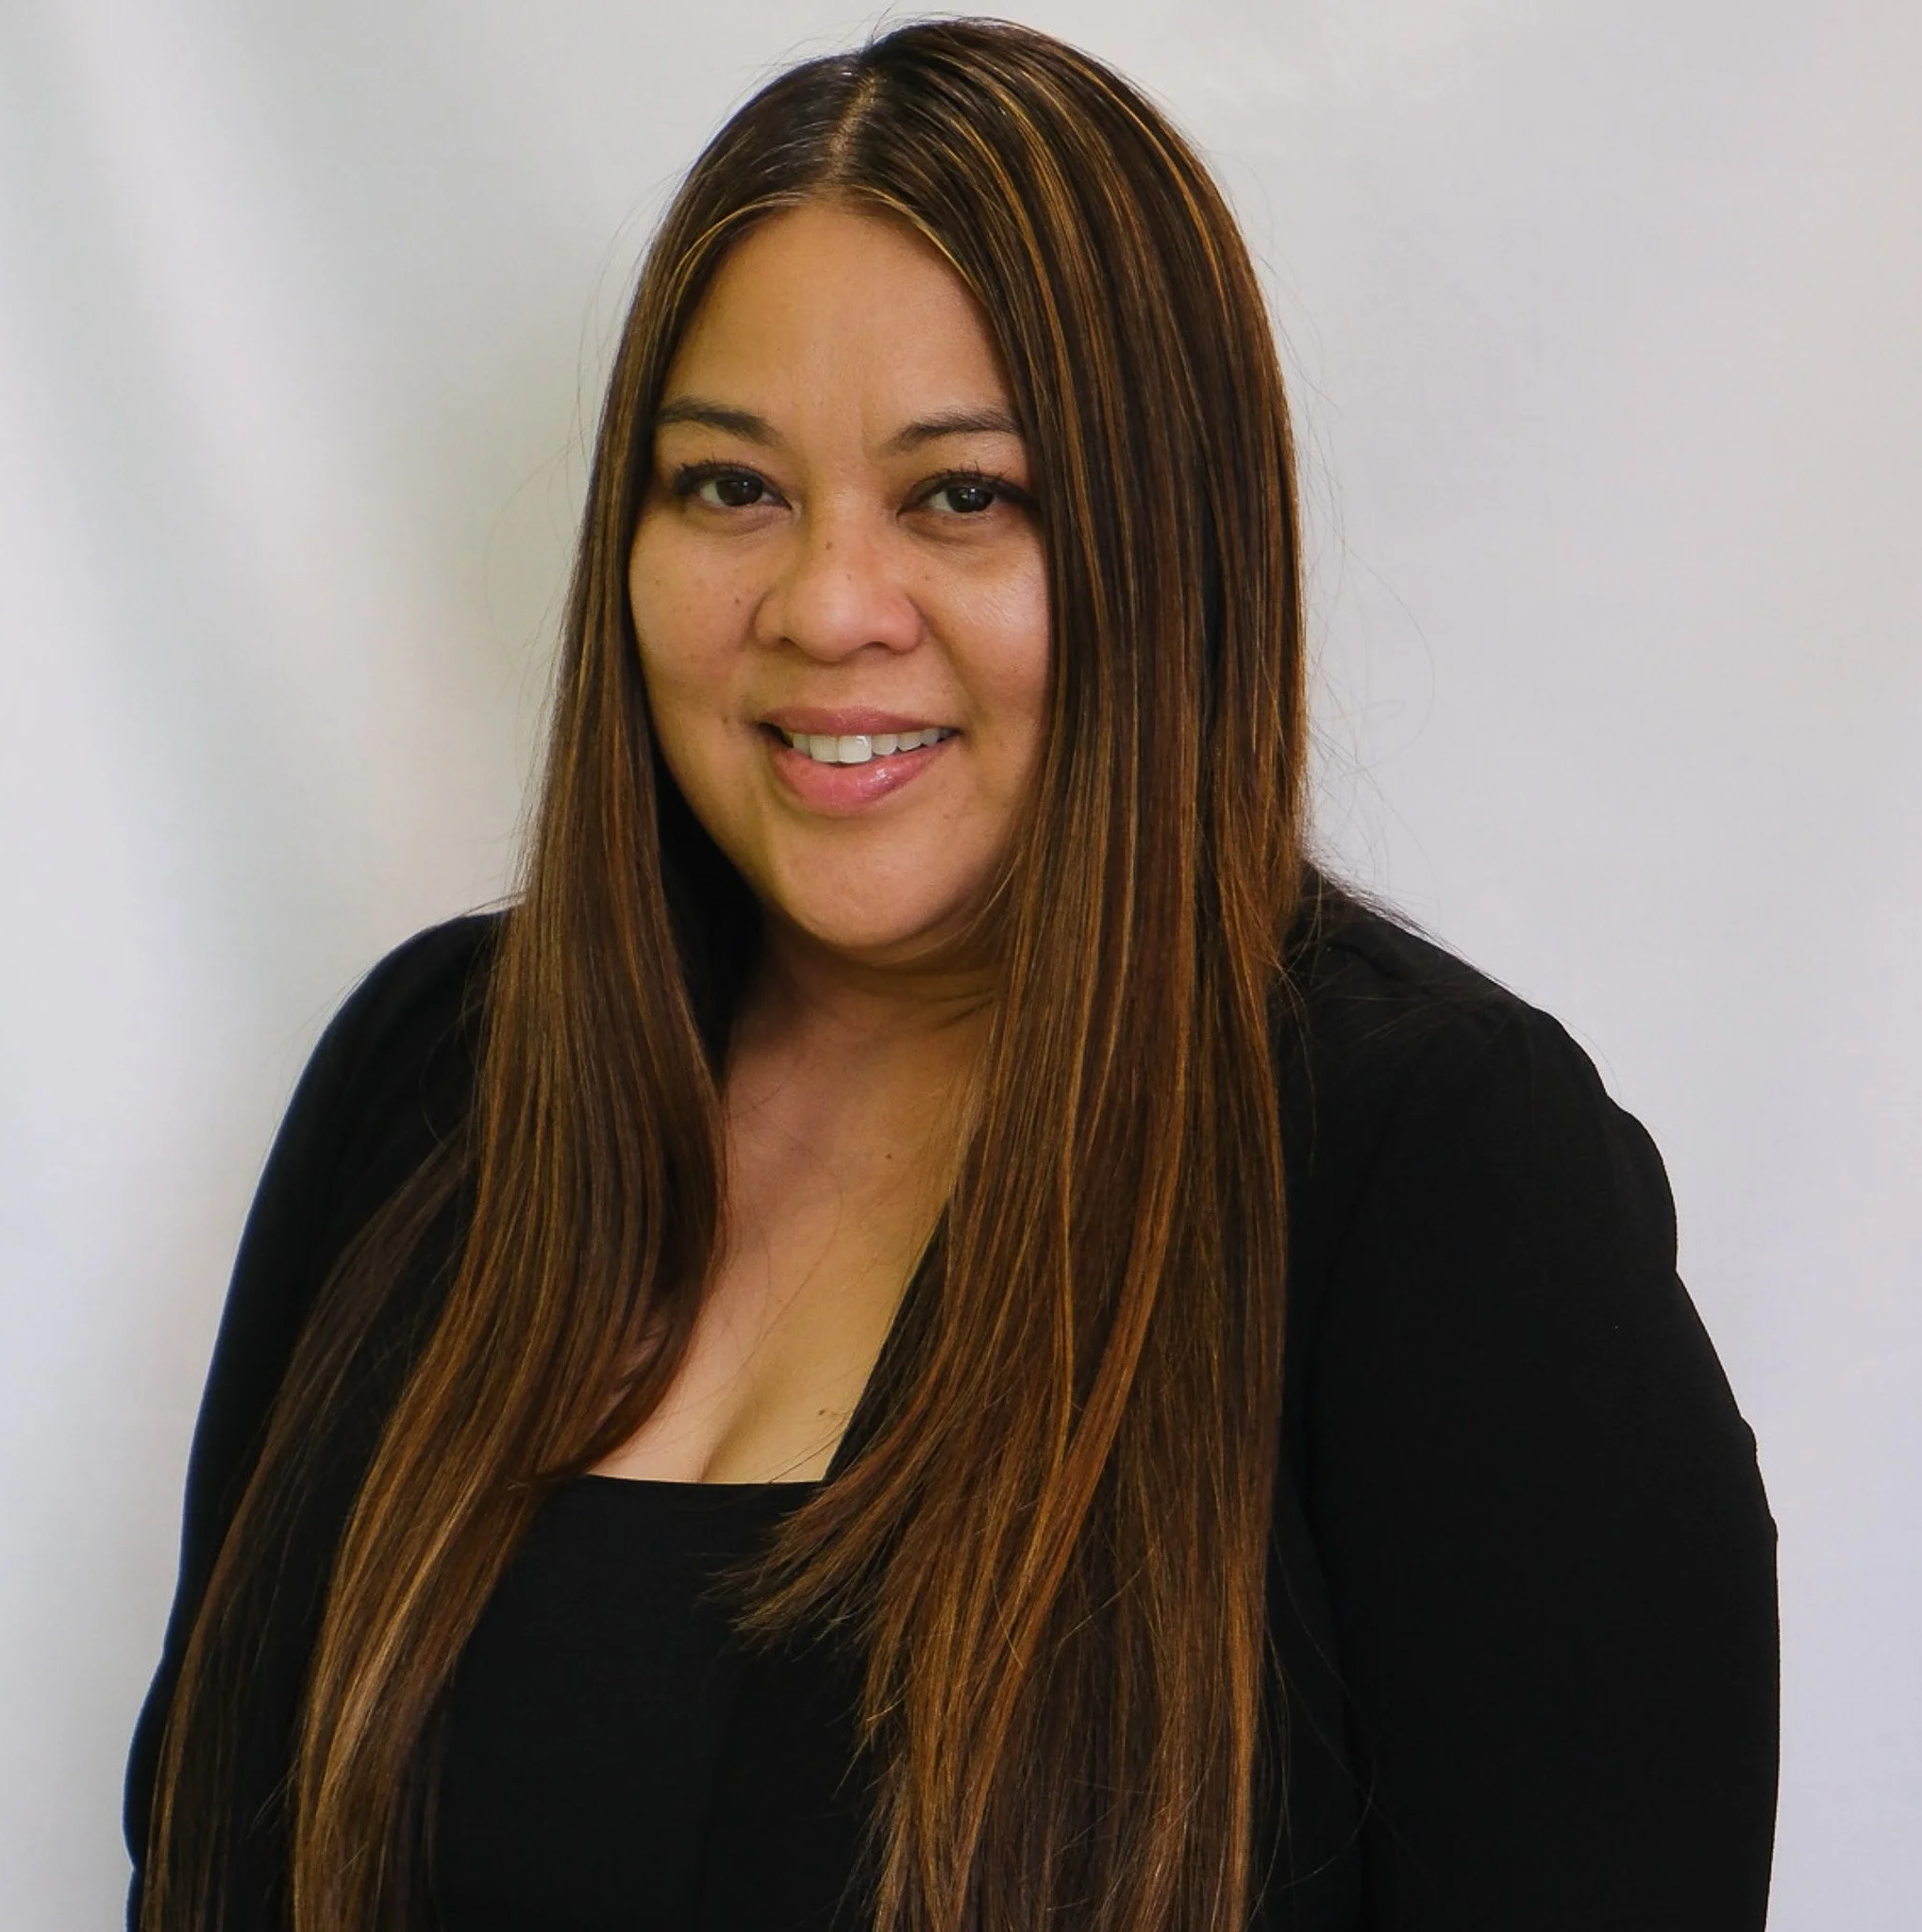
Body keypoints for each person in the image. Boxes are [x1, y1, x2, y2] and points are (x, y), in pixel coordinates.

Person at [123, 18, 1779, 1932]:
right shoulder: (436, 1086)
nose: (828, 604)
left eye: (964, 495)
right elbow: (198, 1864)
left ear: (1172, 548)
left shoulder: (1437, 1178)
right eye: (729, 486)